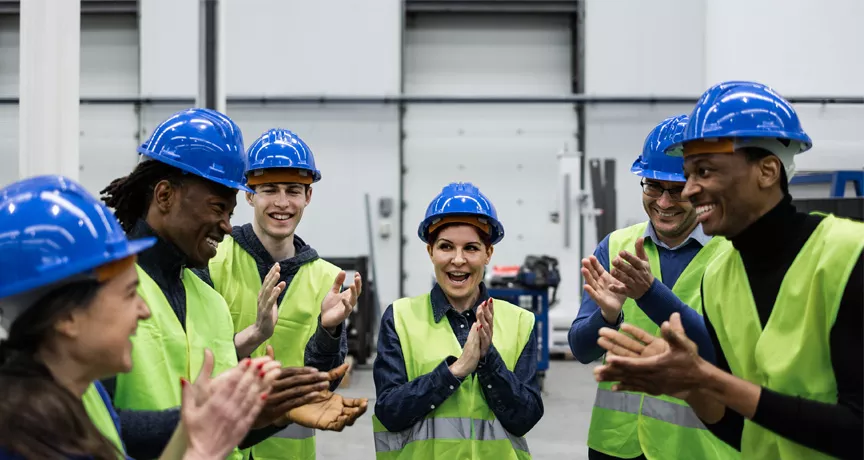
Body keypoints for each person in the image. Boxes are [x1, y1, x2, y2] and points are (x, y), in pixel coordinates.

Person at [593, 81, 863, 460]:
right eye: (688, 174)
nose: (688, 191)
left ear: (767, 170)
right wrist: (689, 387)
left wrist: (709, 380)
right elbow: (739, 427)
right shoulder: (721, 274)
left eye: (705, 171)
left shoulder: (849, 256)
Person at [97, 108, 343, 460]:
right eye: (217, 208)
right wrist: (205, 418)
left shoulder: (209, 303)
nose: (227, 227)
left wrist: (273, 414)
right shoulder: (104, 291)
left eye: (229, 214)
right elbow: (88, 426)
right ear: (164, 195)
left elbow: (226, 434)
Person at [0, 175, 284, 460]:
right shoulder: (30, 437)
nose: (145, 309)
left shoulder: (80, 398)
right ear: (66, 316)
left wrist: (198, 428)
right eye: (128, 293)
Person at [569, 115, 737, 460]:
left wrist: (650, 292)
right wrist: (607, 315)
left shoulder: (733, 254)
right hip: (616, 445)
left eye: (676, 190)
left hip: (698, 449)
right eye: (652, 186)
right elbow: (581, 350)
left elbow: (729, 358)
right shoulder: (616, 246)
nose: (663, 203)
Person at [196, 127, 367, 460]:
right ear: (248, 195)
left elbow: (323, 387)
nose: (282, 202)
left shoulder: (327, 279)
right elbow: (194, 364)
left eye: (293, 190)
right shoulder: (213, 260)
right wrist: (255, 334)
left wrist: (328, 332)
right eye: (269, 190)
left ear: (308, 197)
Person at [372, 182, 544, 459]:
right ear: (431, 252)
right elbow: (390, 412)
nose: (458, 259)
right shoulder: (400, 318)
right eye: (446, 247)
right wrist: (455, 372)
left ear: (488, 254)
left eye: (472, 248)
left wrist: (489, 361)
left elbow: (525, 417)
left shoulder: (520, 322)